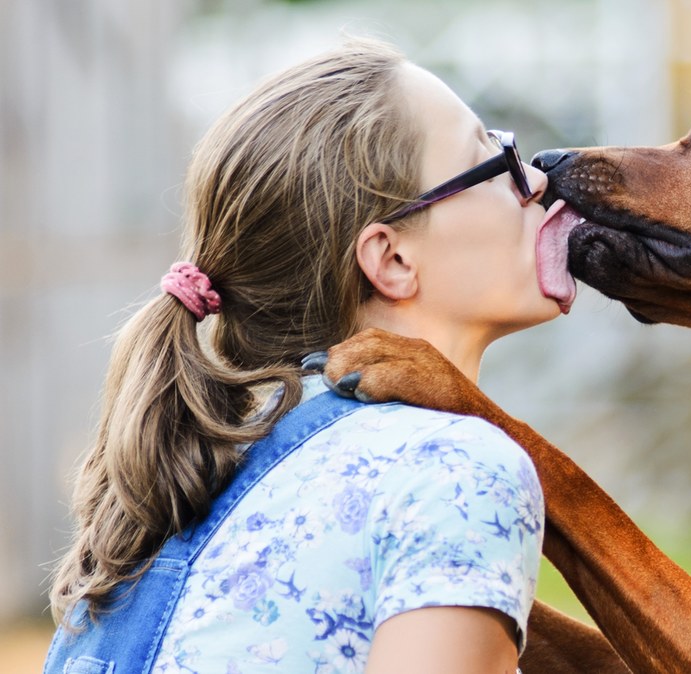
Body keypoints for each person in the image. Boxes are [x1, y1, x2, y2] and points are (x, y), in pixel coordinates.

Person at [45, 36, 567, 673]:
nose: (537, 180)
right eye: (493, 157)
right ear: (393, 259)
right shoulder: (450, 472)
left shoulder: (169, 498)